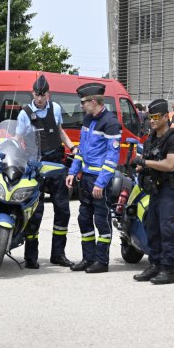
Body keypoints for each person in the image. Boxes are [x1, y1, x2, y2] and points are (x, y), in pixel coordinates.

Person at [16, 74, 75, 269]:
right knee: (35, 212)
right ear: (32, 93)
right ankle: (31, 257)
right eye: (37, 94)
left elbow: (59, 130)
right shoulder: (24, 113)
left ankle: (58, 254)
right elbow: (18, 140)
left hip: (56, 164)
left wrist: (72, 147)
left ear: (48, 94)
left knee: (63, 210)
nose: (40, 97)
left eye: (43, 94)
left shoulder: (55, 108)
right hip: (35, 166)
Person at [65, 82, 121, 273]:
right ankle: (88, 258)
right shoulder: (88, 120)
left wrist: (101, 182)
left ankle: (101, 261)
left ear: (94, 101)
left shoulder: (111, 123)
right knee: (84, 219)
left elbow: (112, 158)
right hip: (86, 178)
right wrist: (73, 172)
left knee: (101, 221)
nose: (82, 106)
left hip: (99, 181)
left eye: (84, 102)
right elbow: (81, 151)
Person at [131, 99, 174, 285]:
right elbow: (149, 158)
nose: (152, 121)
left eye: (155, 117)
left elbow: (170, 164)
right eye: (149, 117)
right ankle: (154, 265)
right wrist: (140, 167)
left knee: (168, 230)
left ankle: (167, 270)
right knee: (152, 229)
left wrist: (144, 163)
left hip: (170, 190)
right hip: (155, 190)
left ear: (165, 117)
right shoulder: (152, 137)